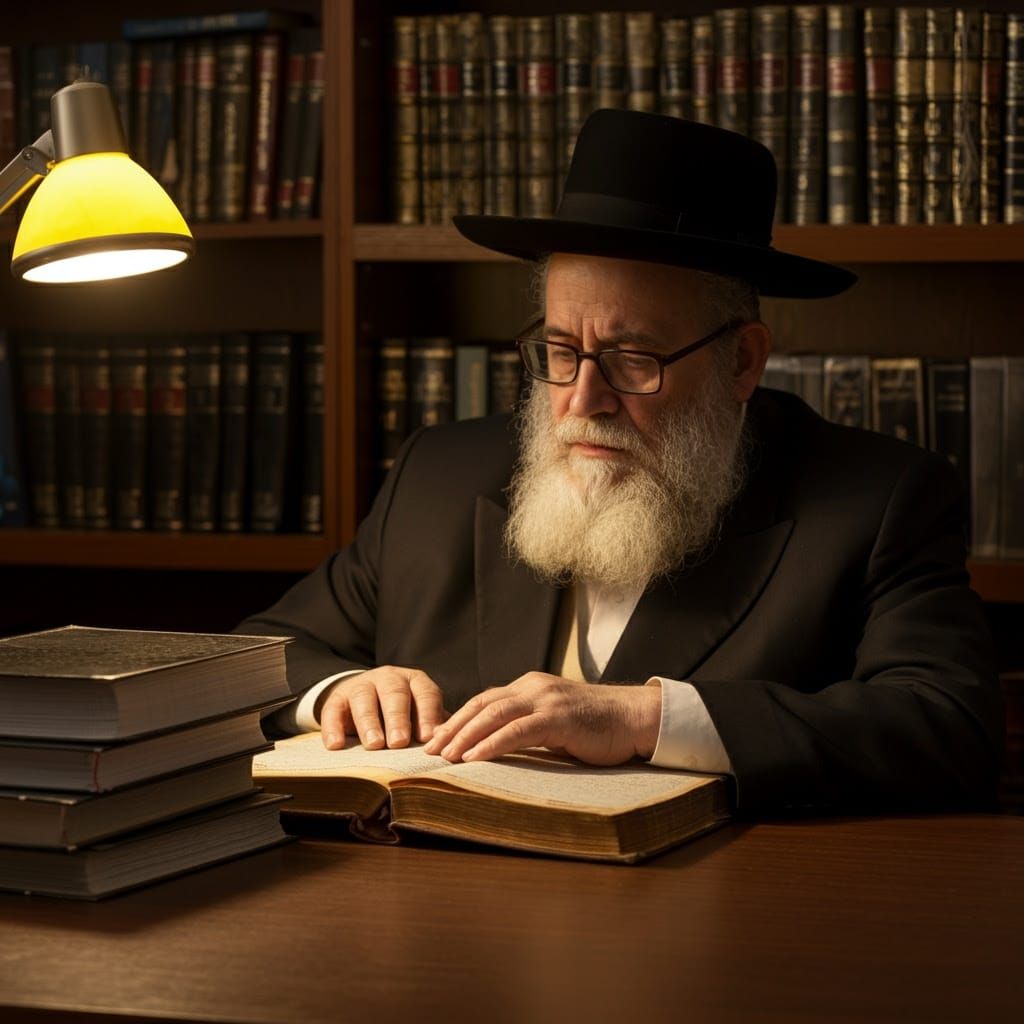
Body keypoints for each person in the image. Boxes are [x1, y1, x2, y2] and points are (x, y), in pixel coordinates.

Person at [241, 109, 1003, 814]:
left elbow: (949, 728)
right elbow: (258, 655)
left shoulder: (877, 499)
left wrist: (648, 717)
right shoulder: (439, 473)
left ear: (742, 360)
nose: (583, 399)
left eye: (633, 359)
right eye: (562, 351)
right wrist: (343, 688)